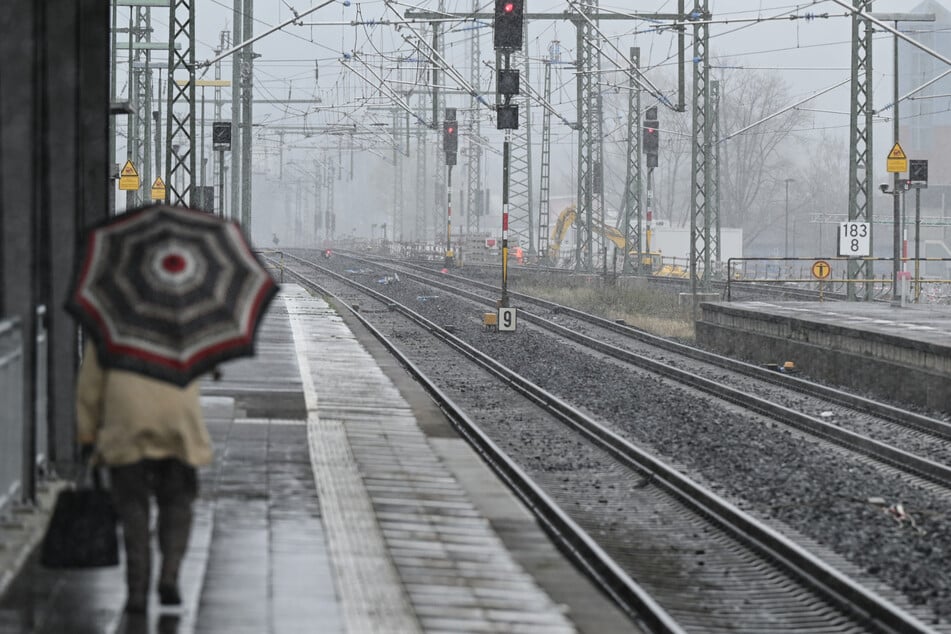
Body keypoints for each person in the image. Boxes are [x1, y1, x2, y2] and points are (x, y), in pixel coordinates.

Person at [75, 340, 213, 614]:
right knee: (177, 502)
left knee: (133, 509)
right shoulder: (183, 319)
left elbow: (89, 387)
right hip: (177, 423)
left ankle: (137, 590)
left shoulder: (109, 324)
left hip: (127, 422)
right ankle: (170, 574)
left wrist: (88, 436)